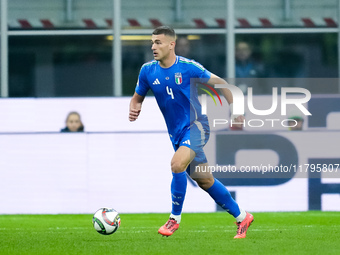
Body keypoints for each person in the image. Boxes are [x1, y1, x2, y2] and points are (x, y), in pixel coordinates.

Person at [129, 26, 253, 239]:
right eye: (152, 42)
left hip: (197, 127)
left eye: (158, 42)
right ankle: (243, 217)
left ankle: (174, 219)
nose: (153, 46)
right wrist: (135, 106)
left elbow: (223, 85)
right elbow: (137, 96)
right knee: (204, 180)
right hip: (176, 134)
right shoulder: (147, 71)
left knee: (176, 164)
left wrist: (236, 111)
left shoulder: (189, 68)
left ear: (171, 44)